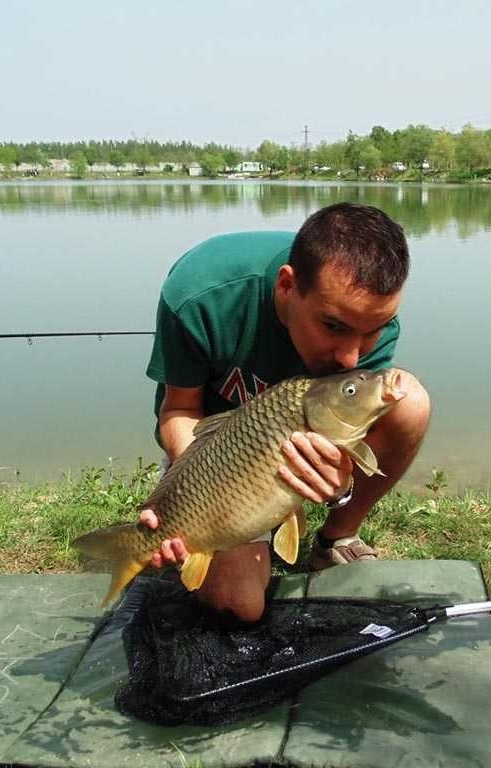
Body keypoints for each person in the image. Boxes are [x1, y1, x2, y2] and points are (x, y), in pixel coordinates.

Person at [139, 202, 431, 621]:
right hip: (213, 453)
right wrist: (194, 495)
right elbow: (179, 409)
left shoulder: (368, 320)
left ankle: (335, 539)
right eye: (333, 327)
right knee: (238, 605)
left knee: (410, 402)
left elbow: (352, 422)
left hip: (306, 429)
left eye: (372, 331)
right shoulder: (200, 294)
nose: (352, 357)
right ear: (286, 286)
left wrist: (339, 486)